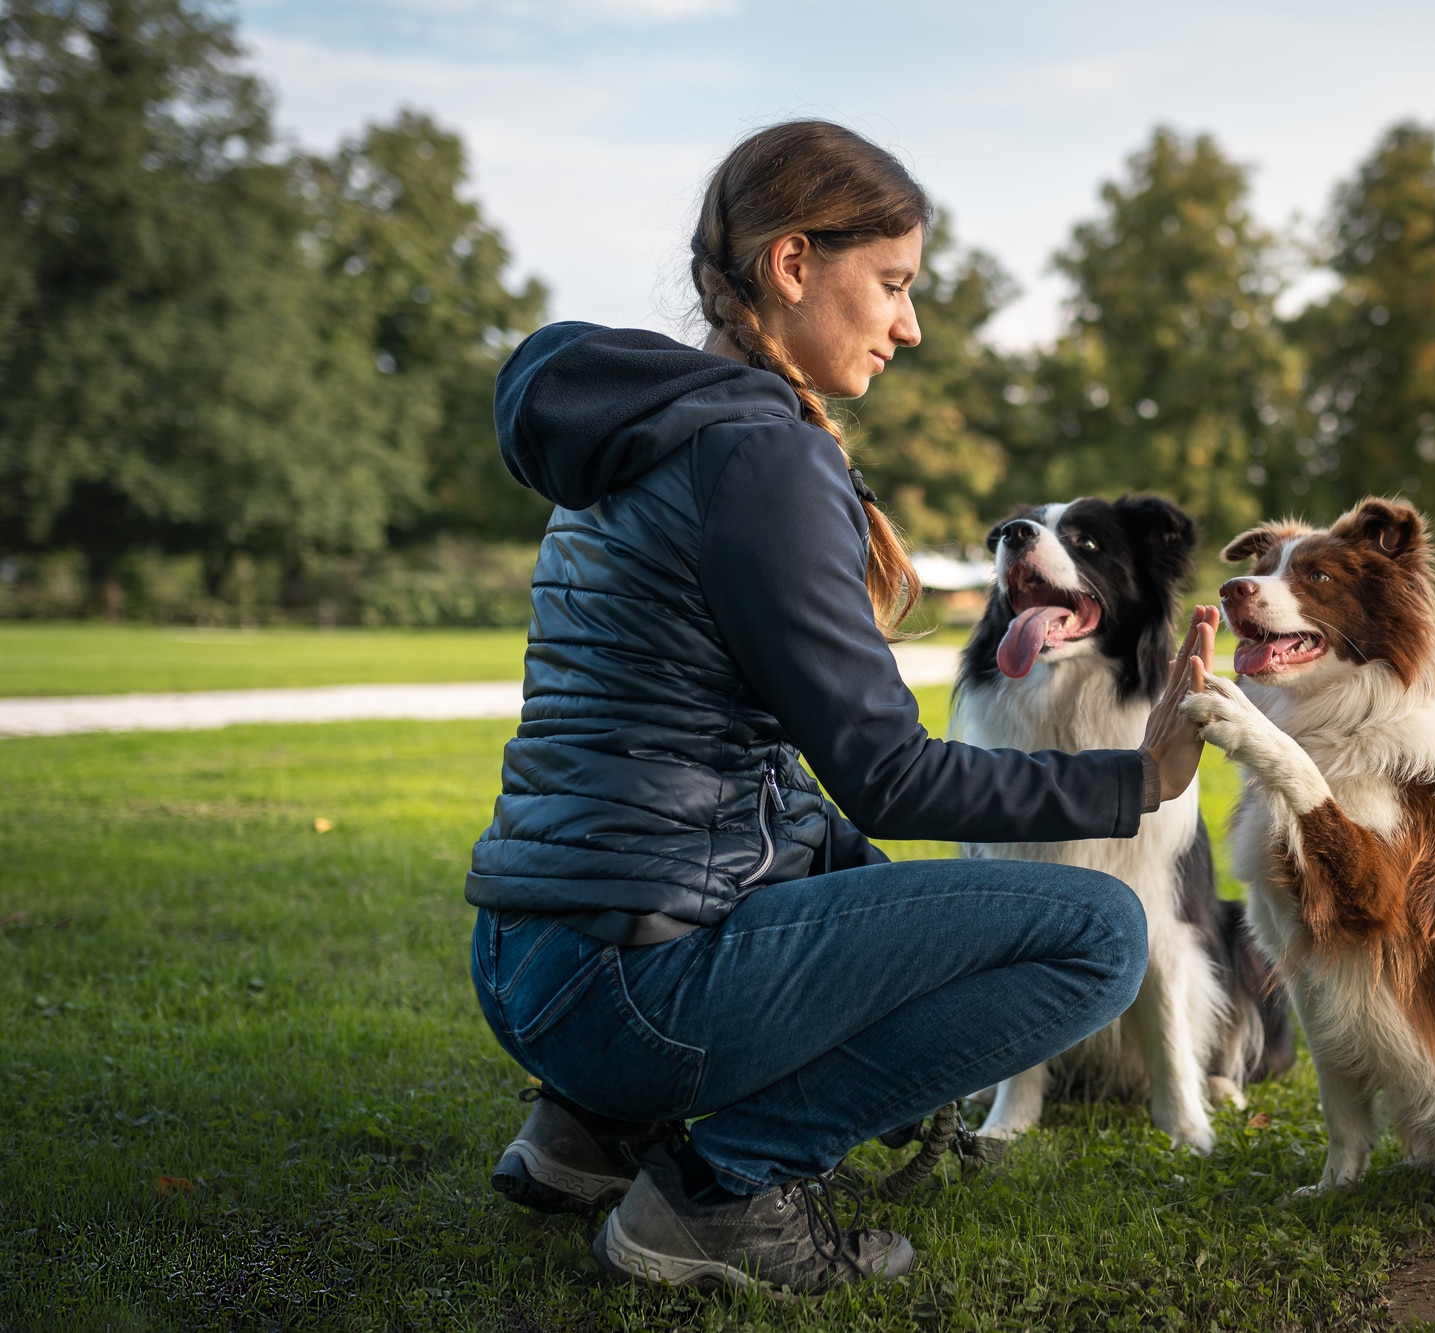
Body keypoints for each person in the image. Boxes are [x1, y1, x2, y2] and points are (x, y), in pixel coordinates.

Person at [464, 120, 1219, 1294]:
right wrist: (1139, 780)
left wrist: (890, 905)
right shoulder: (759, 458)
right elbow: (889, 770)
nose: (909, 326)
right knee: (1099, 933)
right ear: (794, 263)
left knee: (879, 879)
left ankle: (589, 1133)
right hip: (626, 988)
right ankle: (726, 1191)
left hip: (525, 956)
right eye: (893, 285)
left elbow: (741, 773)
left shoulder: (635, 437)